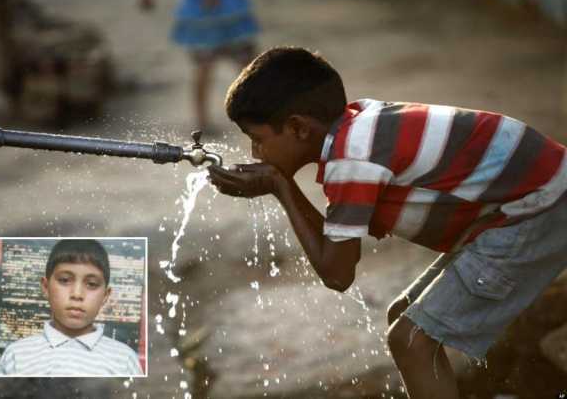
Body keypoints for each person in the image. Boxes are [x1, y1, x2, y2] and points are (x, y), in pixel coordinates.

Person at [207, 46, 567, 399]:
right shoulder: (356, 128)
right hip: (528, 201)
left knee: (411, 341)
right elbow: (336, 252)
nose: (256, 153)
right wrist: (280, 184)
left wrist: (280, 187)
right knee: (404, 319)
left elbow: (337, 272)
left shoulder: (353, 158)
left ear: (298, 127)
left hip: (541, 207)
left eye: (258, 140)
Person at [0, 239, 142, 376]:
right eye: (65, 280)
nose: (77, 294)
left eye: (91, 284)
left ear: (105, 295)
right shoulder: (17, 355)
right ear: (46, 287)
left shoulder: (124, 360)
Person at [139, 0, 259, 132]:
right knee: (245, 65)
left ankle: (203, 119)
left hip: (201, 7)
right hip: (221, 5)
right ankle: (256, 112)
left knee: (208, 66)